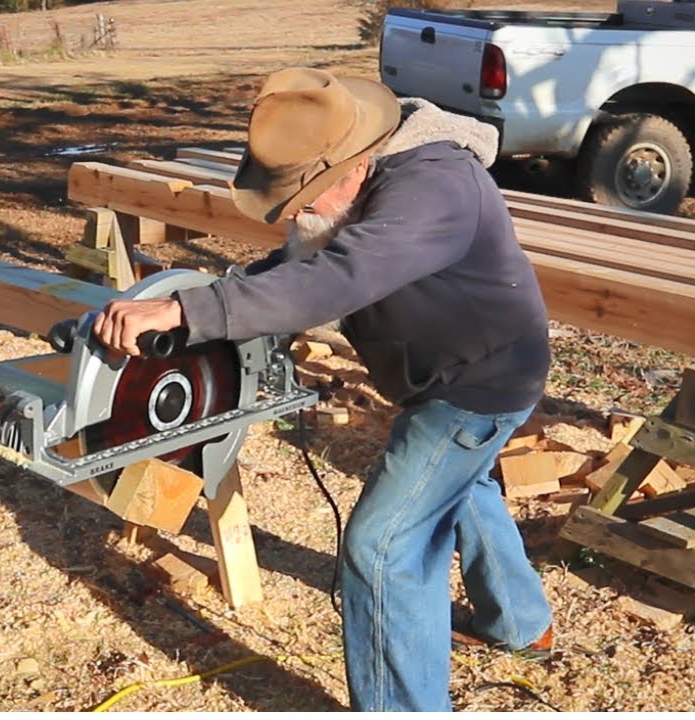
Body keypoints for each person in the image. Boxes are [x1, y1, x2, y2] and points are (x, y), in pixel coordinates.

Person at [92, 67, 554, 712]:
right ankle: (522, 625)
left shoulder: (435, 186)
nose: (297, 213)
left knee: (383, 547)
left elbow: (341, 275)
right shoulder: (366, 177)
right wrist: (202, 305)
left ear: (356, 164)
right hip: (444, 371)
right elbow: (299, 261)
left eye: (304, 195)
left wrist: (190, 313)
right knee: (465, 485)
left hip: (477, 382)